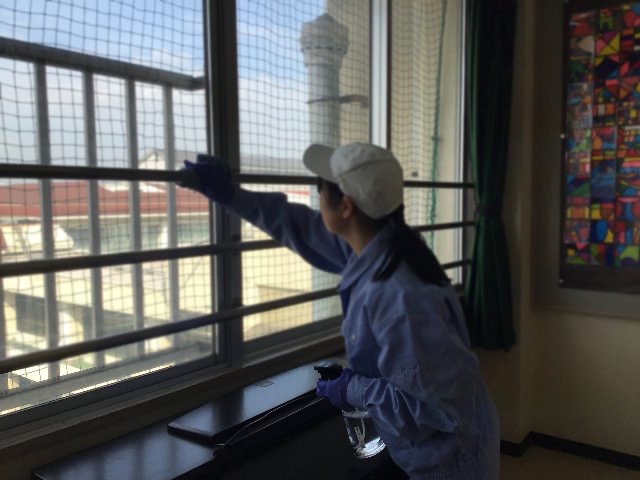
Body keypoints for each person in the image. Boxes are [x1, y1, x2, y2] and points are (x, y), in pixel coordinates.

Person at [180, 142, 500, 480]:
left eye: (319, 190)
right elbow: (301, 227)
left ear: (346, 206)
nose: (316, 200)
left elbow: (427, 411)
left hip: (453, 460)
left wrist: (353, 390)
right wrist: (230, 194)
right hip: (443, 447)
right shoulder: (381, 246)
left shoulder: (401, 296)